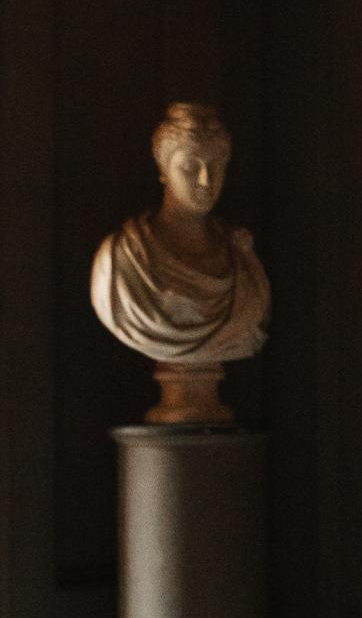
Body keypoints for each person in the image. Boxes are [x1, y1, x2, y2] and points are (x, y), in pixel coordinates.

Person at [90, 103, 270, 425]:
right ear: (163, 169)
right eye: (190, 166)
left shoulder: (241, 258)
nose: (205, 179)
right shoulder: (122, 261)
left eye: (216, 166)